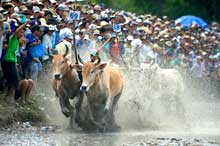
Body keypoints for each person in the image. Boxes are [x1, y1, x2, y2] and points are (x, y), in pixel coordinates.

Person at [1, 21, 29, 104]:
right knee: (14, 80)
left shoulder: (16, 40)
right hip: (9, 60)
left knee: (14, 80)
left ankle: (9, 97)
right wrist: (25, 23)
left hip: (13, 61)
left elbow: (16, 51)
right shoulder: (13, 37)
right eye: (21, 32)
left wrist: (21, 44)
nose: (21, 34)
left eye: (23, 33)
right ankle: (10, 98)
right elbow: (16, 31)